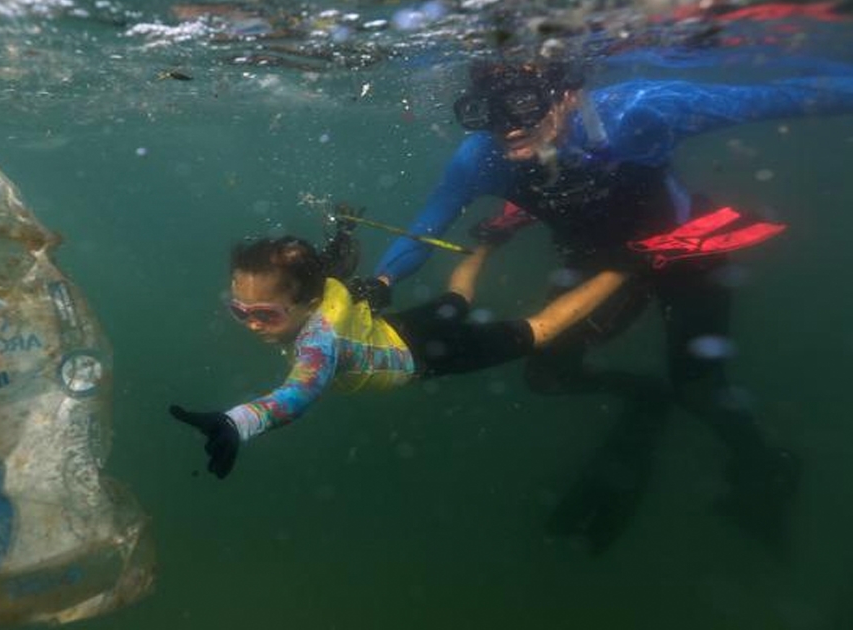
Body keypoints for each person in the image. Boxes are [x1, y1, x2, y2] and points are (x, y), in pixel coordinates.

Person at [355, 57, 853, 551]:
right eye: (486, 112)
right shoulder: (480, 158)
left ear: (569, 94)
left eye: (523, 106)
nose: (507, 129)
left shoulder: (642, 113)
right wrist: (381, 280)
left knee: (699, 387)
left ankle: (766, 466)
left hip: (685, 255)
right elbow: (425, 228)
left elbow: (783, 97)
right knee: (548, 373)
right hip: (600, 268)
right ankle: (644, 396)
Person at [170, 229, 629, 480]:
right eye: (239, 311)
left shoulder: (319, 343)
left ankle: (628, 266)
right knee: (457, 302)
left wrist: (239, 421)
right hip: (393, 329)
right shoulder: (317, 285)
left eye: (265, 315)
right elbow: (328, 272)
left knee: (541, 331)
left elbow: (298, 393)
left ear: (307, 304)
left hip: (425, 356)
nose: (251, 324)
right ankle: (492, 237)